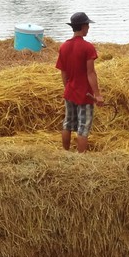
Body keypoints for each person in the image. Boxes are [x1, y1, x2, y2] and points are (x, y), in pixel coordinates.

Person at [56, 12, 104, 153]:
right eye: (87, 25)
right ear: (83, 26)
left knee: (68, 123)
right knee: (83, 127)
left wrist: (68, 88)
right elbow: (90, 73)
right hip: (85, 94)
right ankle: (81, 159)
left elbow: (63, 72)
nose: (88, 27)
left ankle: (65, 152)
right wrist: (98, 94)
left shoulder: (63, 46)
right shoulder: (87, 47)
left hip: (70, 91)